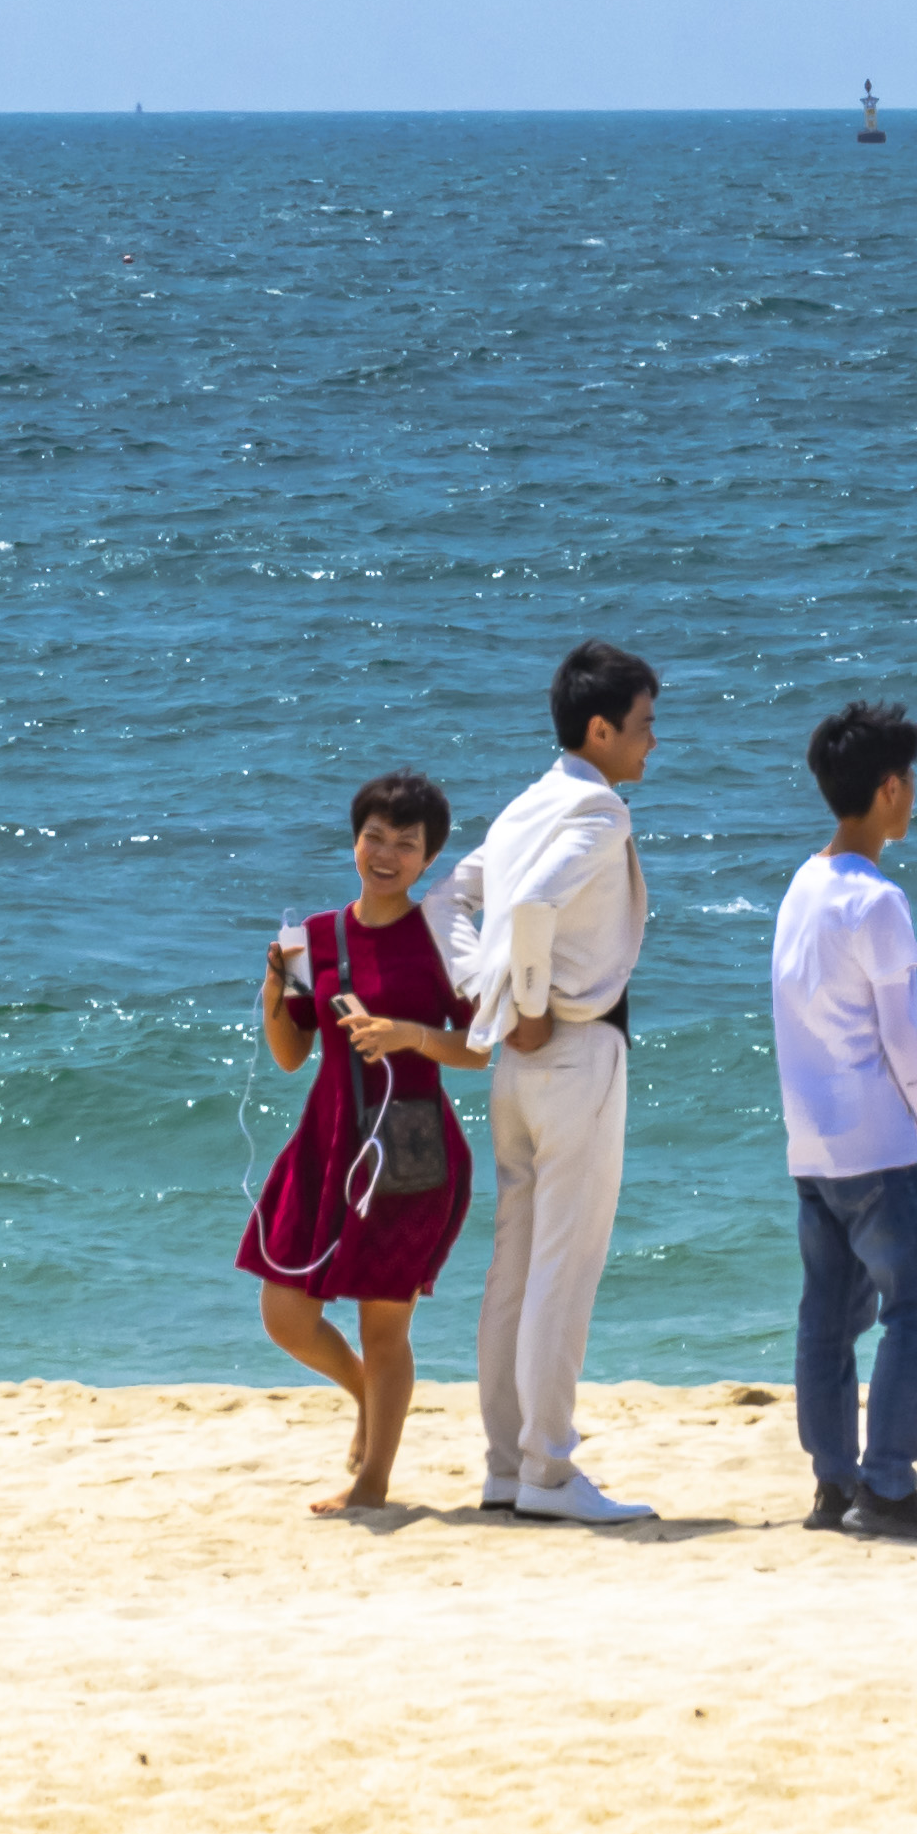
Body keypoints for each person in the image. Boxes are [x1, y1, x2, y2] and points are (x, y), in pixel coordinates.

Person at [445, 638, 660, 1526]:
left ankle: (507, 1465)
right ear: (600, 729)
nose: (654, 743)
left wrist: (486, 998)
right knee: (562, 1269)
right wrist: (524, 999)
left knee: (513, 1266)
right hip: (574, 1052)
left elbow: (445, 905)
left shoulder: (522, 806)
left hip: (517, 1070)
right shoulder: (600, 811)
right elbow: (530, 910)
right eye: (645, 726)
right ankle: (548, 1470)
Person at [236, 769, 485, 1514]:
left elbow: (479, 1049)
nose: (385, 854)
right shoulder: (318, 937)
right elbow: (288, 1055)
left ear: (428, 859)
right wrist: (277, 989)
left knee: (386, 1325)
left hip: (411, 1149)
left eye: (404, 844)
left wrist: (408, 1034)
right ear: (355, 840)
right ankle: (364, 1397)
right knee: (285, 1315)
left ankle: (373, 1481)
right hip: (327, 1140)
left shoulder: (441, 936)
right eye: (373, 837)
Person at [766, 698, 917, 1543]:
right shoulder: (877, 899)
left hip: (811, 1146)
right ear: (890, 789)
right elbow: (905, 1042)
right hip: (878, 1144)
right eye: (910, 781)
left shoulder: (802, 884)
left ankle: (835, 1482)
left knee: (829, 1319)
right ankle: (887, 1484)